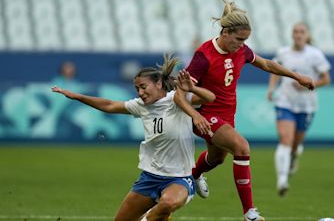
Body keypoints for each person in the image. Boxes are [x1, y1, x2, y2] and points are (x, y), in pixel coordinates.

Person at [174, 0, 315, 221]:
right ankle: (249, 213)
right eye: (239, 39)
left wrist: (298, 76)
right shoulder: (204, 55)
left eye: (245, 40)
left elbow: (267, 64)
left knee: (217, 158)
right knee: (242, 148)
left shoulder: (241, 50)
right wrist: (195, 115)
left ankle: (192, 176)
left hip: (227, 115)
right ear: (226, 32)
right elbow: (179, 96)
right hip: (206, 114)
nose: (242, 44)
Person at [51, 55, 216, 221]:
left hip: (179, 178)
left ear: (159, 83)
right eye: (137, 89)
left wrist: (192, 88)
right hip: (150, 177)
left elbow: (210, 97)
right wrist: (78, 97)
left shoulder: (176, 99)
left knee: (167, 203)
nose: (140, 92)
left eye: (143, 87)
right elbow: (109, 105)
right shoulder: (141, 105)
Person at [267, 22, 331, 197]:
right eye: (295, 31)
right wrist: (272, 88)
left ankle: (294, 156)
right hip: (285, 102)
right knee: (285, 139)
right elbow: (274, 70)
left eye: (301, 32)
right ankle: (282, 180)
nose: (298, 35)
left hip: (307, 106)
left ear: (307, 35)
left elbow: (326, 79)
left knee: (295, 145)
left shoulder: (315, 55)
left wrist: (310, 84)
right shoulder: (283, 52)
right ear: (291, 34)